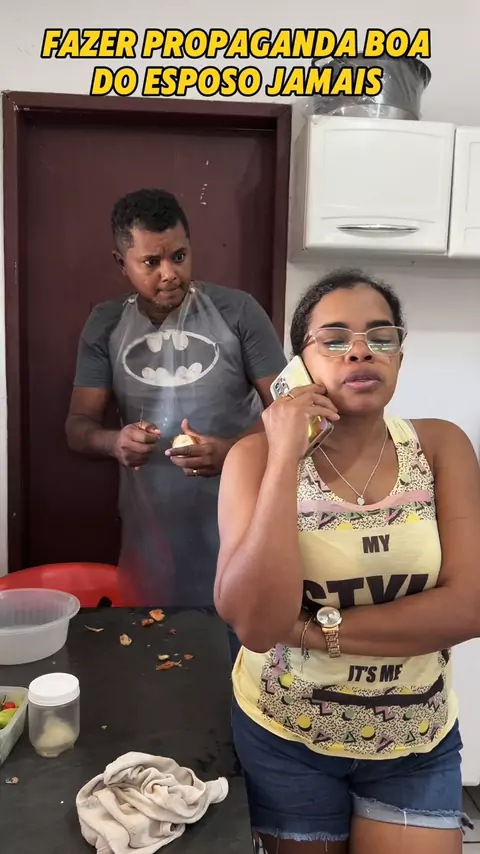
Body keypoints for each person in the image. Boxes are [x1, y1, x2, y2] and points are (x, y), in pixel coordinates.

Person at [214, 268, 480, 854]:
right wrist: (285, 456)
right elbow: (256, 625)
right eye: (334, 339)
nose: (361, 350)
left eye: (380, 336)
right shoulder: (253, 459)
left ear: (400, 357)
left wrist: (313, 631)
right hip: (287, 736)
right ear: (299, 366)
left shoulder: (441, 447)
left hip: (414, 739)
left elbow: (468, 607)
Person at [66, 188, 286, 619]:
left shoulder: (238, 312)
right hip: (151, 526)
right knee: (157, 635)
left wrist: (232, 451)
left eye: (179, 257)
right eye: (151, 262)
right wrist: (115, 442)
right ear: (121, 263)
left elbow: (292, 412)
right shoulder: (106, 324)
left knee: (241, 632)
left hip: (242, 514)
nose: (169, 274)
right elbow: (77, 427)